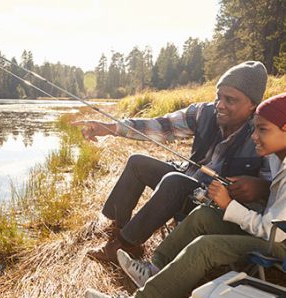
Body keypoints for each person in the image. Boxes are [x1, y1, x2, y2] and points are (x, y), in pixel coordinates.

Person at [84, 92, 286, 298]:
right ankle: (154, 269)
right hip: (267, 227)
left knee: (205, 248)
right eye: (218, 96)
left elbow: (274, 233)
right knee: (202, 216)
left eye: (262, 130)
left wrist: (230, 205)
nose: (255, 135)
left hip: (277, 242)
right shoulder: (275, 155)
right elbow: (160, 126)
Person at [73, 61, 271, 263]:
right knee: (137, 163)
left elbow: (277, 189)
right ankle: (119, 229)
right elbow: (160, 126)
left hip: (213, 205)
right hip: (186, 182)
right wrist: (109, 129)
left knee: (174, 181)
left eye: (230, 100)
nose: (220, 105)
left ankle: (126, 245)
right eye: (218, 96)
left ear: (252, 105)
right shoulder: (204, 112)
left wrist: (262, 188)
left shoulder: (264, 132)